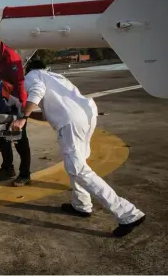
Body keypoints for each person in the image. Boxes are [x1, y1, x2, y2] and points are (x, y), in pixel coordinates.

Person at [11, 59, 146, 237]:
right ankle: (81, 205)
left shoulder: (33, 75)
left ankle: (128, 213)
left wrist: (23, 117)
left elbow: (36, 92)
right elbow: (52, 111)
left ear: (28, 70)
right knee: (78, 163)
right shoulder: (55, 77)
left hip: (72, 122)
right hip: (86, 116)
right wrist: (31, 115)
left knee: (78, 169)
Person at [0, 32, 32, 187]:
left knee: (19, 139)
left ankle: (25, 174)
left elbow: (20, 82)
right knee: (2, 136)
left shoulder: (10, 56)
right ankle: (7, 168)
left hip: (16, 102)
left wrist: (22, 109)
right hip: (4, 101)